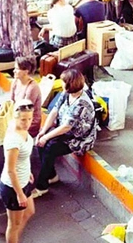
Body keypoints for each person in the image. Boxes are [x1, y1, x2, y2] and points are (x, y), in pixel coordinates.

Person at [33, 69, 97, 197]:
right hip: (65, 132)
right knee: (41, 144)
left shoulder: (82, 103)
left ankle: (42, 186)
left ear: (70, 84)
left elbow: (66, 127)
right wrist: (43, 132)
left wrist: (46, 137)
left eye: (63, 82)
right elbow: (54, 111)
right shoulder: (66, 93)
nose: (61, 84)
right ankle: (52, 175)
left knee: (50, 147)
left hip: (79, 138)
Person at [0, 99, 35, 243]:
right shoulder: (13, 140)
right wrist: (20, 194)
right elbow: (10, 170)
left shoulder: (22, 131)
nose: (27, 123)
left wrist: (28, 171)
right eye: (23, 119)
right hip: (13, 188)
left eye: (30, 119)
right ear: (15, 117)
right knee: (13, 225)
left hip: (24, 180)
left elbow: (23, 158)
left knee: (30, 212)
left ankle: (14, 239)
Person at [10, 57, 42, 138]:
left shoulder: (32, 88)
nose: (14, 71)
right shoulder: (15, 81)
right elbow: (11, 102)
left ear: (26, 72)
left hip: (29, 122)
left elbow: (25, 111)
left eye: (17, 69)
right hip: (18, 115)